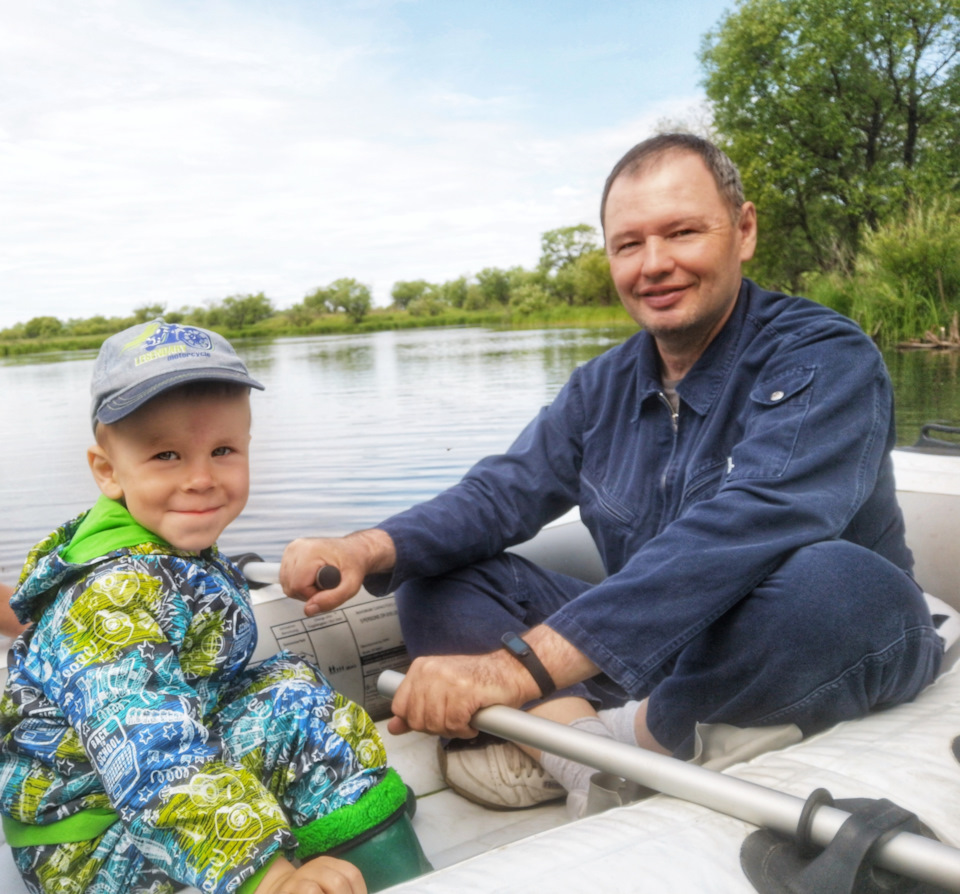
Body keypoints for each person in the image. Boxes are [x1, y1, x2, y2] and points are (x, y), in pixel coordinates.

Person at [280, 134, 943, 816]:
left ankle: (614, 742)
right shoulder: (602, 384)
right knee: (437, 574)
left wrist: (513, 670)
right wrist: (364, 548)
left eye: (682, 232)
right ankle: (596, 762)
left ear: (742, 231)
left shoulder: (824, 354)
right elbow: (501, 493)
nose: (654, 264)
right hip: (652, 649)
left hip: (792, 632)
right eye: (629, 245)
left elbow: (751, 524)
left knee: (842, 585)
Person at [0, 321, 429, 894]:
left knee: (291, 693)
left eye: (222, 450)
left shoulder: (165, 547)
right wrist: (268, 879)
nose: (201, 478)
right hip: (92, 846)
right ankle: (330, 856)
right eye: (166, 455)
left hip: (135, 796)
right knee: (283, 713)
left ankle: (362, 827)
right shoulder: (107, 600)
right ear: (108, 471)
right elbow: (150, 757)